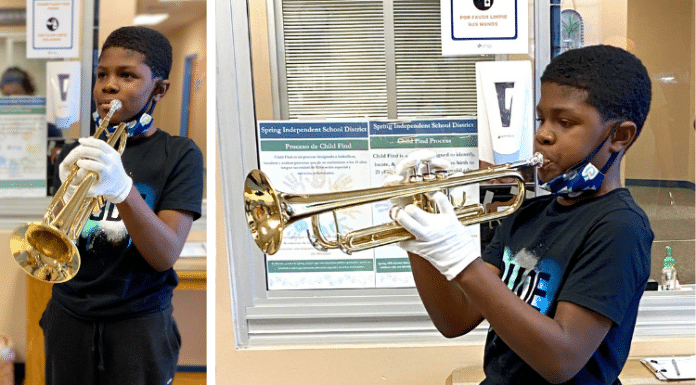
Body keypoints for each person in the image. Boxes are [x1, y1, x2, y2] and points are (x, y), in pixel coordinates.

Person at [392, 45, 653, 384]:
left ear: (619, 136)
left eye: (565, 122)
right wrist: (418, 232)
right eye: (541, 119)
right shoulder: (527, 211)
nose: (542, 134)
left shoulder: (619, 226)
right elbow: (454, 319)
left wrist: (460, 259)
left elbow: (561, 359)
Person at [41, 26, 204, 385]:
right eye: (102, 74)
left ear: (159, 90)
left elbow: (164, 255)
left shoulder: (180, 155)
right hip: (69, 318)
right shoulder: (74, 151)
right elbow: (53, 247)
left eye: (126, 75)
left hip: (138, 326)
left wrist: (123, 190)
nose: (108, 86)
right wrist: (64, 198)